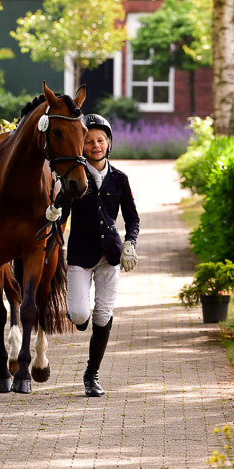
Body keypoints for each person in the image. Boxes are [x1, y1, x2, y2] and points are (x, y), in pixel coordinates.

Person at [60, 113, 140, 397]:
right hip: (80, 256)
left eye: (100, 140)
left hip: (110, 256)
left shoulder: (120, 179)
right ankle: (79, 318)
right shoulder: (73, 179)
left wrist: (130, 242)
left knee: (103, 315)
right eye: (89, 141)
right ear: (81, 146)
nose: (95, 146)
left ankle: (91, 375)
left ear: (108, 143)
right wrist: (54, 220)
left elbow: (132, 218)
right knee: (80, 313)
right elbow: (61, 214)